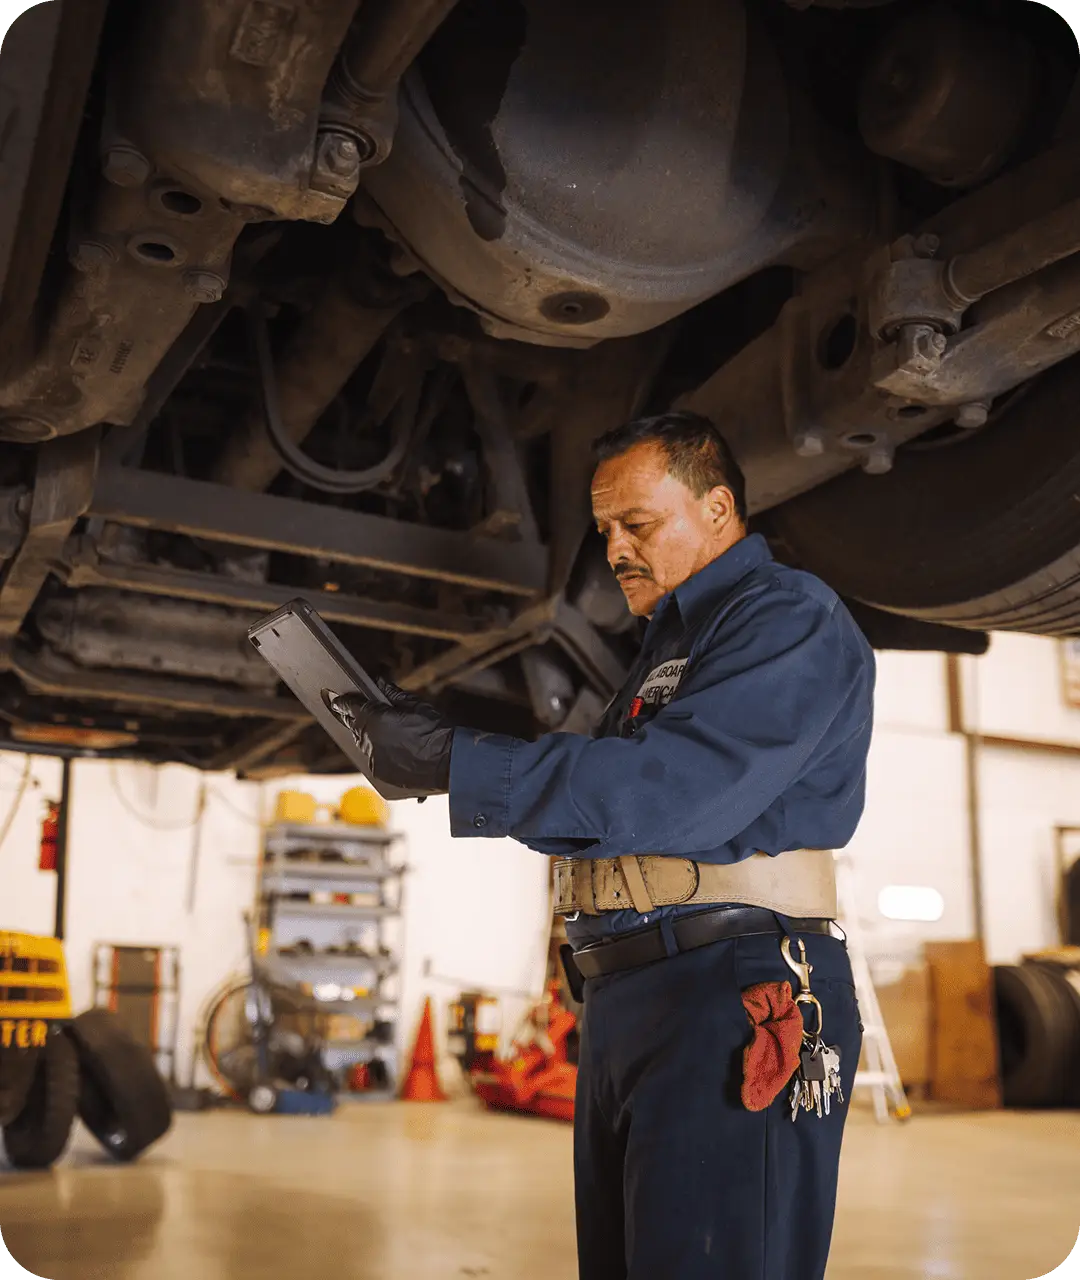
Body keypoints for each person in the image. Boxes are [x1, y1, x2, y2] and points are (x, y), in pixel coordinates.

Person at [333, 410, 875, 1280]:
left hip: (735, 985)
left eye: (640, 525)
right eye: (605, 531)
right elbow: (600, 798)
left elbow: (668, 794)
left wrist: (456, 762)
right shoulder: (670, 646)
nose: (617, 548)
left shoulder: (788, 617)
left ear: (720, 507)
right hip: (633, 993)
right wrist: (450, 749)